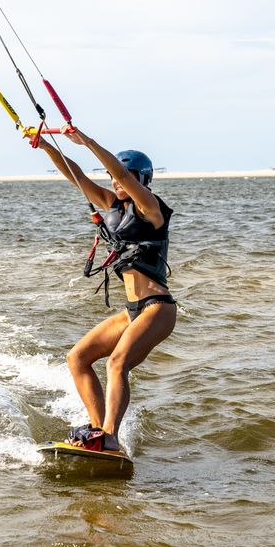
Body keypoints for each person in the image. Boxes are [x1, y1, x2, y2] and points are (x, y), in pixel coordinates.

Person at [29, 126, 176, 452]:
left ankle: (110, 437)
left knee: (116, 364)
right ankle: (98, 433)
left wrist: (88, 142)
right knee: (78, 358)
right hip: (133, 310)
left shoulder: (152, 209)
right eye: (110, 177)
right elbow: (74, 174)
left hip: (158, 307)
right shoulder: (111, 205)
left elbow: (121, 173)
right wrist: (45, 147)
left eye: (122, 177)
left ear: (142, 179)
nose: (113, 181)